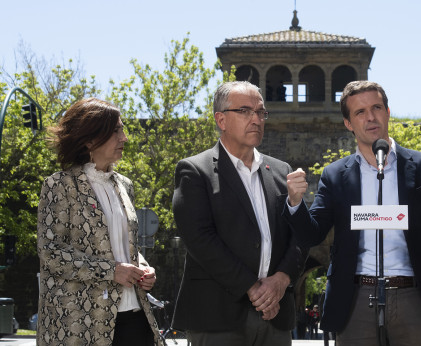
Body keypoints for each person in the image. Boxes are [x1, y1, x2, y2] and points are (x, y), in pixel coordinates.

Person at [286, 80, 421, 346]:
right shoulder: (335, 175)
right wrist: (295, 202)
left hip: (415, 296)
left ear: (388, 112)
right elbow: (312, 234)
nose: (370, 117)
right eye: (360, 112)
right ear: (348, 123)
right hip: (355, 298)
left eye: (376, 108)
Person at [171, 81, 304, 346]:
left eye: (261, 112)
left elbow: (300, 234)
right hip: (219, 316)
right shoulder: (195, 171)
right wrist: (254, 289)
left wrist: (282, 279)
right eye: (245, 111)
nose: (256, 119)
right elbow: (200, 239)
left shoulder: (281, 171)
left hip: (274, 318)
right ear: (221, 119)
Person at [36, 98, 162, 345]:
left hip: (134, 315)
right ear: (90, 138)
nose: (124, 138)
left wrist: (144, 268)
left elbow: (125, 246)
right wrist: (111, 271)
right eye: (116, 131)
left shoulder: (125, 185)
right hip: (82, 323)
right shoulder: (58, 185)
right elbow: (50, 251)